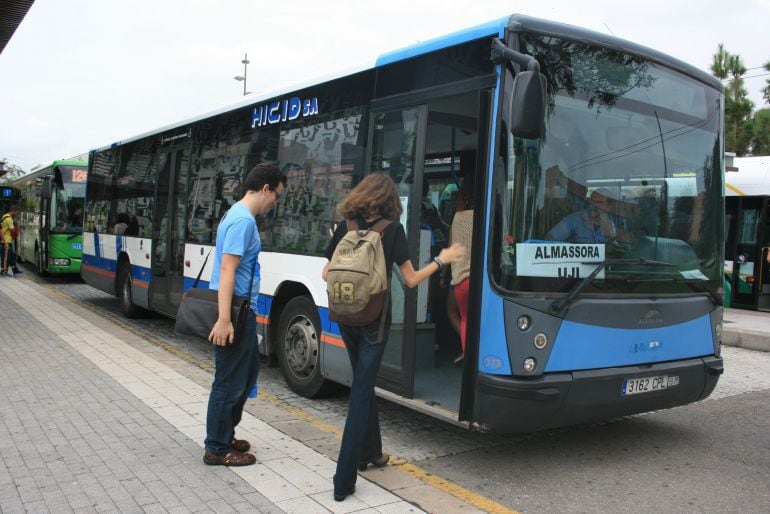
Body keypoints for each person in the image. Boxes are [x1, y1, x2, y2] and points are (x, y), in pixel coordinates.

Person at [322, 173, 465, 502]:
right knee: (360, 393)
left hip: (345, 316)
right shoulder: (391, 230)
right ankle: (343, 479)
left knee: (362, 382)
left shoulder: (345, 225)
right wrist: (441, 259)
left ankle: (371, 452)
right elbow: (412, 280)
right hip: (375, 321)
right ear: (389, 201)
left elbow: (326, 272)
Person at [203, 163, 286, 467]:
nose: (275, 202)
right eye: (276, 195)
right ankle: (217, 447)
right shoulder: (242, 221)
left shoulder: (236, 215)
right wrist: (225, 320)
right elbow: (228, 269)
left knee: (245, 373)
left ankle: (224, 434)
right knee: (229, 380)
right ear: (265, 188)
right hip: (235, 310)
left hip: (239, 308)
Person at [447, 176, 474, 364]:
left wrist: (442, 275)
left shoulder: (457, 219)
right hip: (483, 279)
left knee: (461, 317)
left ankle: (468, 352)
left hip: (461, 278)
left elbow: (449, 250)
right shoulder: (485, 216)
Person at [546, 188, 616, 244]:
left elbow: (612, 242)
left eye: (599, 202)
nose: (594, 205)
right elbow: (549, 238)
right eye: (592, 201)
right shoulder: (575, 219)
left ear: (608, 207)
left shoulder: (610, 222)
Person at [1, 205, 22, 276]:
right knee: (7, 256)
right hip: (6, 240)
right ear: (13, 211)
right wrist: (16, 225)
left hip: (4, 239)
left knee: (10, 256)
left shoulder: (4, 216)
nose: (16, 214)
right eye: (16, 212)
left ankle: (14, 270)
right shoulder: (9, 219)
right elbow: (12, 230)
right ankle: (4, 271)